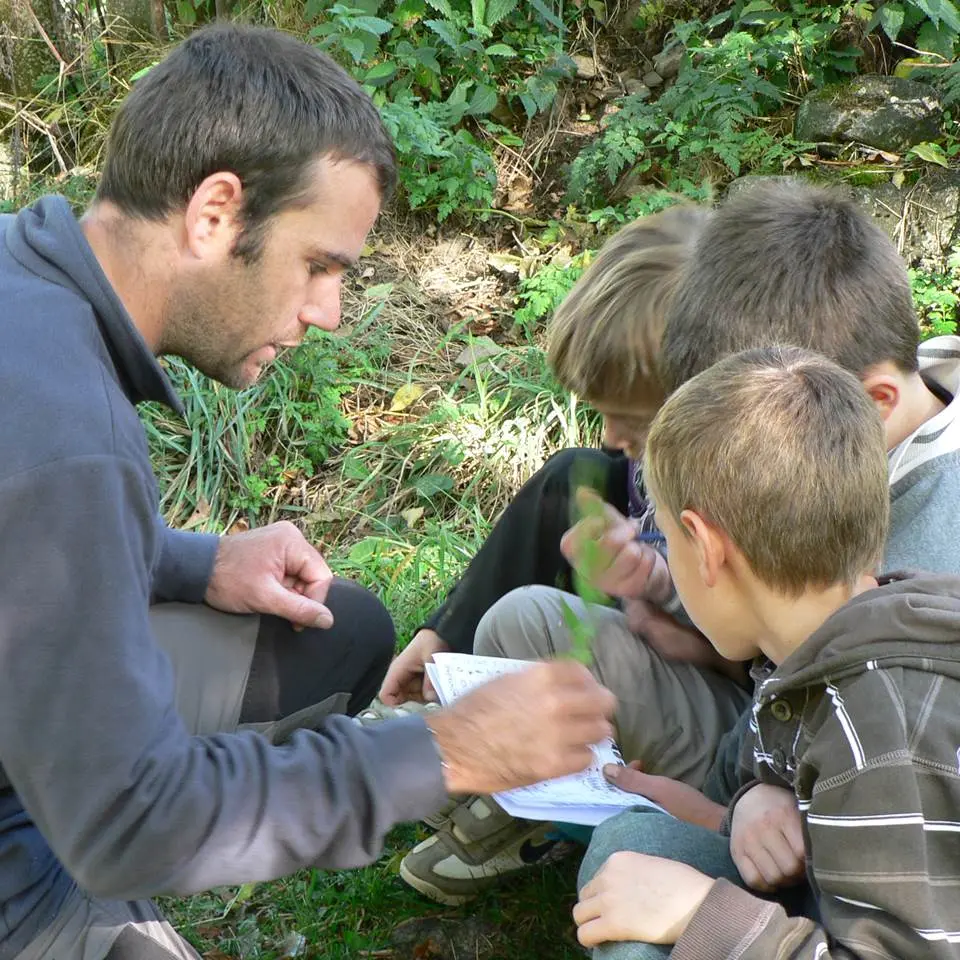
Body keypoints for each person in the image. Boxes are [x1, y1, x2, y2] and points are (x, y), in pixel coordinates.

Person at [0, 24, 618, 960]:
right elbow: (131, 824)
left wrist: (192, 559)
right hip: (34, 837)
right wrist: (446, 752)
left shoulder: (22, 275)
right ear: (214, 214)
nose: (328, 312)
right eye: (320, 265)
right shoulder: (69, 438)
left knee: (348, 631)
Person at [398, 179, 960, 904]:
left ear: (871, 400)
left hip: (816, 793)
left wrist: (748, 807)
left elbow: (887, 846)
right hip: (766, 739)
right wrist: (667, 590)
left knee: (632, 849)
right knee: (526, 621)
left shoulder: (930, 552)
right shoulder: (857, 409)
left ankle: (563, 813)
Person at [575, 345, 960, 960]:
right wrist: (751, 798)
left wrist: (708, 918)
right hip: (834, 913)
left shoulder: (880, 732)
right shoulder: (819, 647)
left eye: (668, 540)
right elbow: (770, 770)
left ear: (704, 548)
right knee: (635, 846)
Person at [377, 204, 711, 707]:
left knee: (530, 617)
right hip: (655, 604)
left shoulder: (741, 485)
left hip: (712, 681)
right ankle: (444, 653)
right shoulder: (635, 463)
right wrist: (444, 631)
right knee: (571, 479)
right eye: (602, 413)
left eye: (636, 423)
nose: (611, 438)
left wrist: (659, 585)